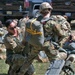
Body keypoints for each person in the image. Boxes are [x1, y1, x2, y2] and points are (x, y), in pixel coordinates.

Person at [16, 2, 71, 75]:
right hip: (47, 45)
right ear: (50, 10)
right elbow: (61, 33)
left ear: (40, 10)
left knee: (29, 60)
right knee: (55, 60)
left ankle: (20, 73)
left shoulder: (34, 21)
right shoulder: (52, 22)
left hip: (36, 44)